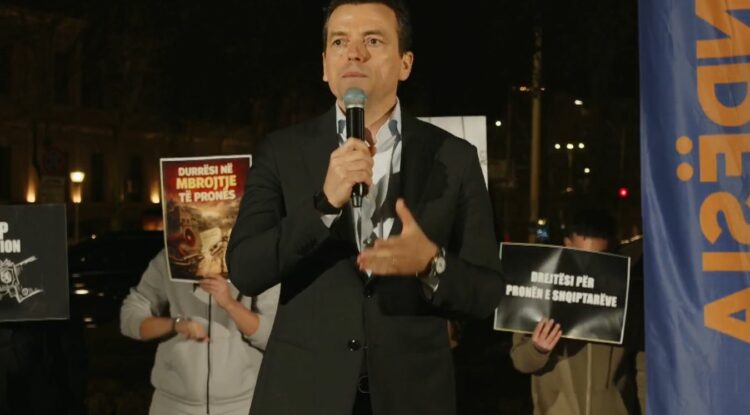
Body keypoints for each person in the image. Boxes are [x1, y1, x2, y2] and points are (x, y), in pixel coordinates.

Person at [226, 1, 504, 414]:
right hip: (304, 395)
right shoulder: (282, 151)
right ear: (325, 66)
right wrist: (323, 205)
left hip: (412, 397)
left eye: (373, 41)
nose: (354, 53)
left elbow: (486, 293)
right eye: (340, 42)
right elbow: (246, 269)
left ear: (405, 64)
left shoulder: (454, 157)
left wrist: (432, 264)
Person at [510, 209, 646, 415]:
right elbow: (520, 361)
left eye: (599, 258)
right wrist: (538, 349)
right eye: (581, 257)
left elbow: (642, 365)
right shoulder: (539, 293)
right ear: (567, 244)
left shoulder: (628, 296)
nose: (588, 269)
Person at [120, 250, 279, 415]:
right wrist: (175, 324)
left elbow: (273, 336)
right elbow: (130, 317)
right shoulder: (171, 256)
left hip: (241, 405)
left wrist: (229, 304)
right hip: (173, 404)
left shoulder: (256, 260)